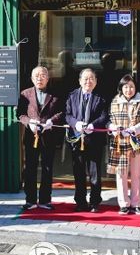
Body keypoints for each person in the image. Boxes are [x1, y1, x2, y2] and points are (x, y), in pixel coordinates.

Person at [17, 66, 64, 211]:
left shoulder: (56, 94)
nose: (39, 78)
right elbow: (20, 114)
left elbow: (62, 112)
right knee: (30, 168)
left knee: (47, 168)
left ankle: (45, 200)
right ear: (32, 79)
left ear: (48, 78)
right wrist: (29, 122)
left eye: (43, 75)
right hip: (32, 136)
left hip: (49, 136)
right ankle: (30, 200)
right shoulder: (25, 94)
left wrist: (52, 121)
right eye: (36, 75)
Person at [106, 75, 140, 215]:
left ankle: (136, 203)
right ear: (121, 88)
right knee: (121, 174)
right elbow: (108, 121)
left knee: (136, 174)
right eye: (125, 87)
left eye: (131, 86)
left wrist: (133, 130)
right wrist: (114, 128)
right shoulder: (115, 101)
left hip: (137, 142)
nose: (129, 89)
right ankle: (123, 204)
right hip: (120, 143)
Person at [65, 68, 109, 212]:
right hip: (77, 139)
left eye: (91, 78)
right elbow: (67, 115)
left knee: (95, 173)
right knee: (78, 172)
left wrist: (93, 125)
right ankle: (80, 201)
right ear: (80, 81)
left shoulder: (101, 97)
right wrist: (75, 123)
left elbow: (104, 116)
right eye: (85, 78)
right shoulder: (72, 95)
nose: (88, 81)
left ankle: (95, 201)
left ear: (96, 81)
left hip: (94, 139)